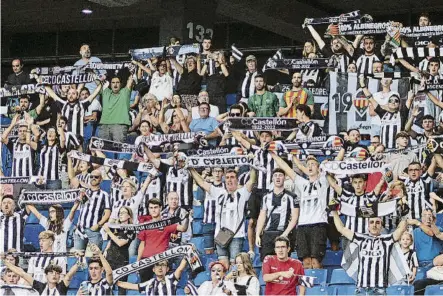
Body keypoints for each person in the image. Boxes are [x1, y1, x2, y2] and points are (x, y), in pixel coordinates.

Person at [331, 210, 415, 295]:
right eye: (372, 222)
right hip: (361, 289)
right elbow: (341, 229)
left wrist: (404, 215)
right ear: (368, 226)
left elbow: (401, 229)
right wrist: (334, 212)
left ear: (381, 226)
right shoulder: (360, 238)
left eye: (377, 222)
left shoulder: (387, 240)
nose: (374, 225)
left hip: (379, 289)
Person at [189, 167, 256, 267]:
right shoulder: (219, 192)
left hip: (236, 235)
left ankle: (233, 282)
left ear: (237, 180)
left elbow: (251, 180)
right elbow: (202, 183)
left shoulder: (242, 193)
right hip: (221, 234)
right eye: (227, 177)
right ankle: (223, 282)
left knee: (235, 265)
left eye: (232, 177)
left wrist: (253, 166)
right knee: (222, 265)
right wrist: (191, 169)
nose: (229, 180)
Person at [272, 153, 330, 269]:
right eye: (308, 164)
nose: (310, 166)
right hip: (303, 226)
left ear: (318, 168)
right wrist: (273, 153)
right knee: (306, 262)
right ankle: (308, 286)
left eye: (313, 164)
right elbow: (286, 167)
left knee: (315, 261)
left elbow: (335, 163)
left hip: (318, 225)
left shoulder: (323, 181)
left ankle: (318, 286)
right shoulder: (302, 183)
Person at [137, 198, 187, 282]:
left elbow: (183, 228)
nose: (153, 210)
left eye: (155, 207)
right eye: (151, 208)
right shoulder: (144, 225)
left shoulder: (166, 223)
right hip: (146, 259)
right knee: (145, 289)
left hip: (161, 259)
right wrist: (138, 262)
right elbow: (142, 244)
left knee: (163, 287)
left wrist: (187, 218)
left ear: (160, 208)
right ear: (148, 209)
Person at [255, 168, 299, 261]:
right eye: (275, 175)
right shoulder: (266, 197)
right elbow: (262, 216)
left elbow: (295, 217)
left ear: (285, 178)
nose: (278, 178)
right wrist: (258, 234)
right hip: (267, 233)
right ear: (272, 179)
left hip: (283, 233)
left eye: (280, 175)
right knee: (266, 262)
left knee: (282, 261)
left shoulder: (292, 196)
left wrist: (286, 233)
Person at [73, 170, 111, 250]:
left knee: (94, 257)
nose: (93, 178)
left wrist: (98, 225)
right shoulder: (84, 192)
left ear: (101, 179)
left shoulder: (104, 195)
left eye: (96, 177)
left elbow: (108, 213)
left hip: (93, 230)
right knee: (78, 258)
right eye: (91, 176)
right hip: (79, 230)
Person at [4, 256, 81, 296]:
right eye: (51, 272)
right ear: (46, 275)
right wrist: (5, 262)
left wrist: (80, 259)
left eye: (57, 273)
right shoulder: (40, 286)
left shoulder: (61, 287)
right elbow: (22, 274)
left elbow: (70, 274)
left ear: (59, 276)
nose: (54, 275)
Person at [103, 206, 136, 295]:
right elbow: (111, 241)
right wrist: (105, 251)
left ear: (129, 216)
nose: (120, 215)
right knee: (106, 286)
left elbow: (120, 243)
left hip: (122, 260)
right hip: (110, 258)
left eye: (123, 212)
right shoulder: (115, 227)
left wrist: (108, 231)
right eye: (120, 213)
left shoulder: (131, 229)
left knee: (121, 287)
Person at [117, 258, 188, 295]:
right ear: (153, 269)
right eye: (157, 265)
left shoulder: (171, 279)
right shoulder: (149, 283)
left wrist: (187, 254)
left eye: (163, 265)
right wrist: (113, 280)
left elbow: (181, 268)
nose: (160, 268)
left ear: (167, 269)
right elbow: (130, 285)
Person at [98, 75, 134, 143]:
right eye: (113, 82)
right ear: (110, 84)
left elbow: (130, 80)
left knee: (118, 149)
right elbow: (96, 81)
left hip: (120, 125)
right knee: (103, 149)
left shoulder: (125, 92)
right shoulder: (106, 92)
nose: (115, 84)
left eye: (117, 82)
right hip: (104, 125)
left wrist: (131, 69)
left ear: (121, 84)